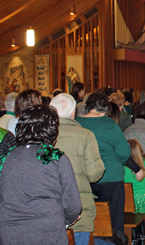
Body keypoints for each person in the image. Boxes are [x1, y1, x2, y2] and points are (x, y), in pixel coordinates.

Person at [0, 105, 82, 245]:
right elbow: (73, 204)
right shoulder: (55, 157)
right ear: (52, 130)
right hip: (47, 231)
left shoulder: (8, 156)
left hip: (11, 231)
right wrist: (67, 219)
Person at [76, 93, 139, 238]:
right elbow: (124, 152)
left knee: (89, 214)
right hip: (110, 175)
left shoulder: (77, 123)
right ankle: (113, 240)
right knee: (114, 217)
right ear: (105, 109)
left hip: (84, 176)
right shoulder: (110, 124)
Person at [50, 93, 106, 245]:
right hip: (77, 206)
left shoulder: (43, 135)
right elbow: (94, 174)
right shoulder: (85, 135)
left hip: (49, 208)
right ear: (73, 113)